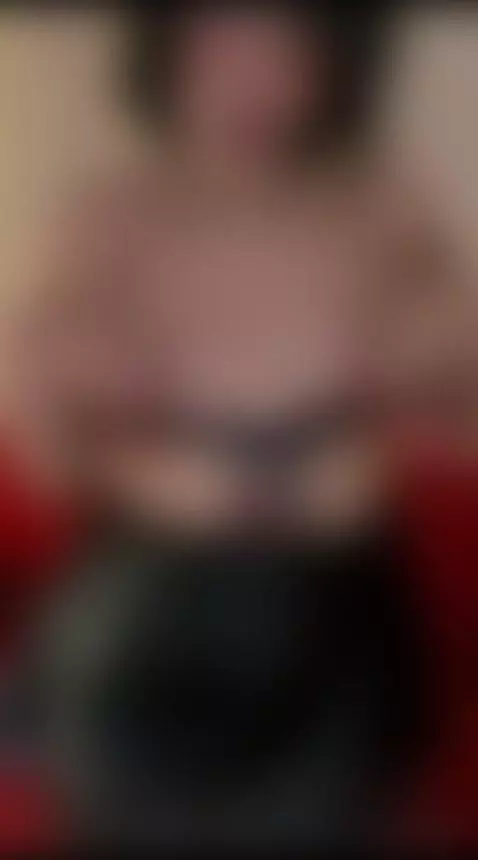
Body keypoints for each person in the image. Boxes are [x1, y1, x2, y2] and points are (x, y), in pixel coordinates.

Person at [9, 4, 477, 850]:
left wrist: (380, 452)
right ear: (167, 60)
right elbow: (47, 423)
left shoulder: (379, 209)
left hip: (334, 572)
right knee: (124, 793)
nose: (253, 83)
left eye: (284, 54)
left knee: (326, 805)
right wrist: (147, 473)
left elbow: (456, 395)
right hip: (156, 565)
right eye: (222, 50)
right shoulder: (112, 215)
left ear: (329, 69)